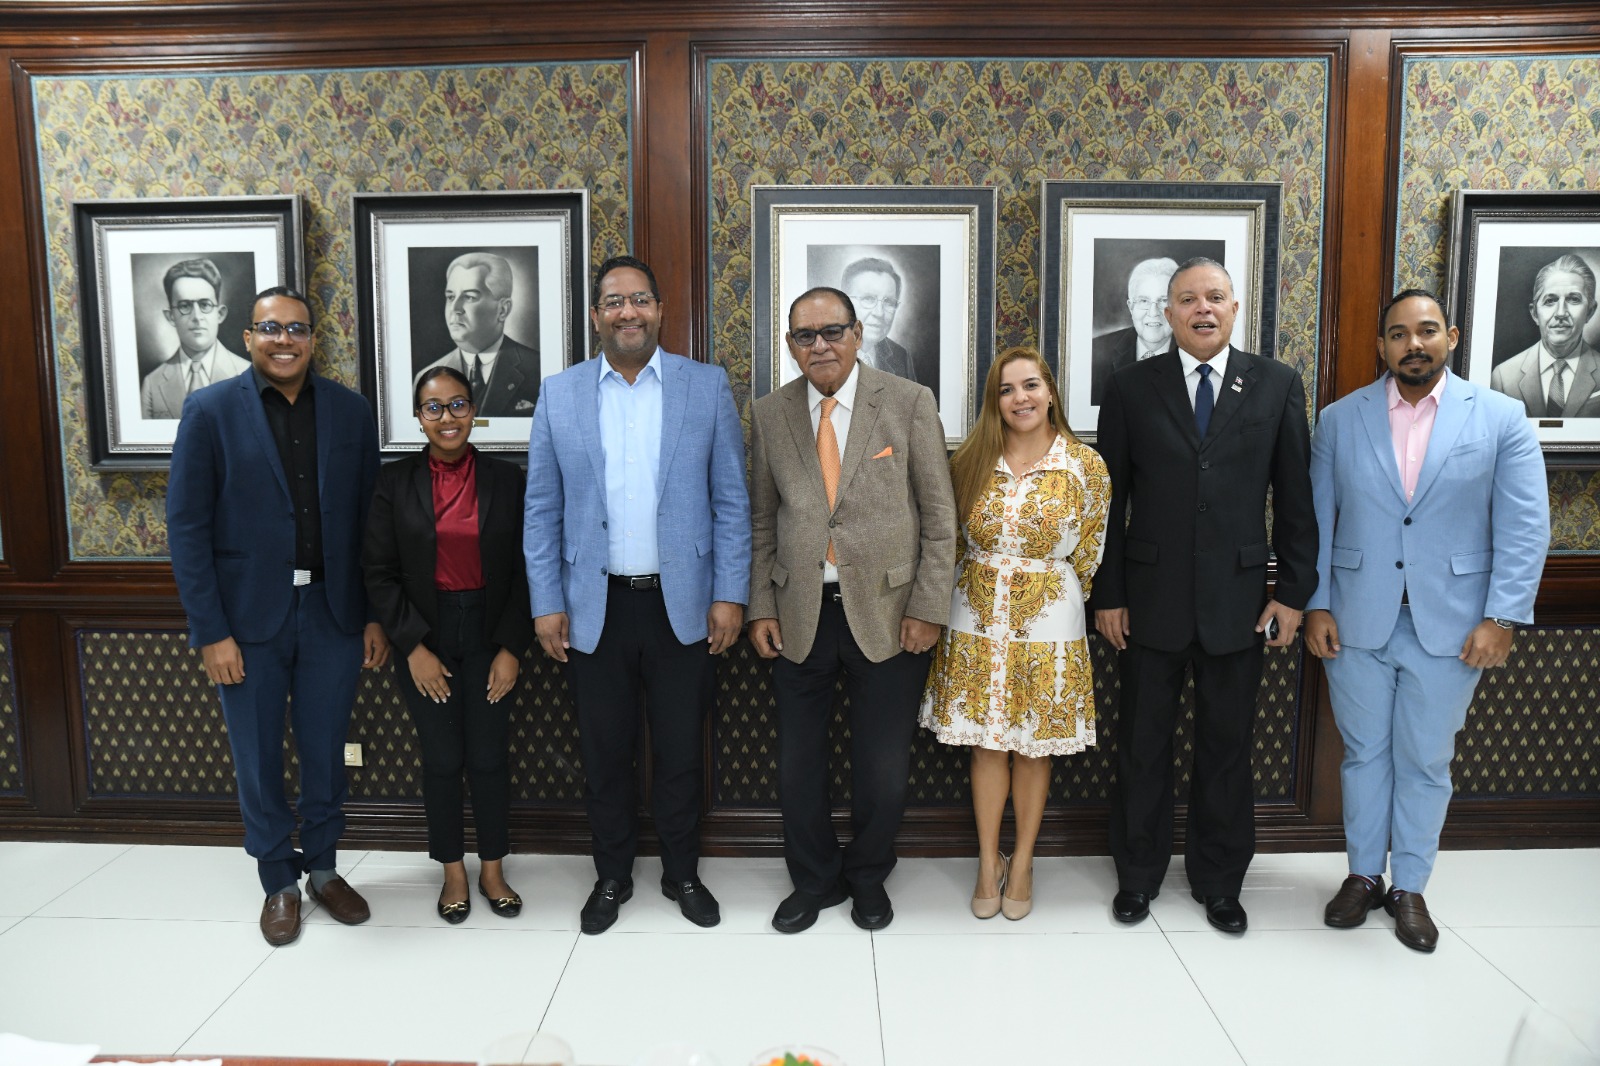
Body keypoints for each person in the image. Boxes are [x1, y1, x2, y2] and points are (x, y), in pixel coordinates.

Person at [1306, 289, 1549, 952]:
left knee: (1426, 759)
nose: (1413, 344)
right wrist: (1317, 603)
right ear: (1381, 345)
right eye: (1398, 334)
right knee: (1363, 755)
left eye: (1426, 331)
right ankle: (1363, 875)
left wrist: (1502, 616)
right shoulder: (1338, 420)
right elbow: (1318, 522)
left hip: (1454, 627)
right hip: (1355, 621)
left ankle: (1410, 885)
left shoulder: (1501, 417)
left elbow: (1526, 527)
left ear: (1452, 336)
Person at [1090, 257, 1318, 935]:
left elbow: (1296, 500)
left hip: (1241, 604)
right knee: (1141, 746)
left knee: (1226, 749)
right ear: (1168, 314)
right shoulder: (1131, 386)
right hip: (1148, 602)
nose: (1202, 308)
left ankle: (1220, 882)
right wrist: (1109, 593)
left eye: (1214, 296)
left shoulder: (1275, 385)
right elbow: (1110, 502)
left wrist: (1294, 592)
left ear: (1235, 307)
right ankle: (1137, 878)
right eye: (1188, 299)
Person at [524, 255, 750, 934]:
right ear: (596, 316)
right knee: (605, 755)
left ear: (660, 310)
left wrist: (730, 593)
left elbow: (731, 501)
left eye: (641, 300)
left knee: (681, 752)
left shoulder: (704, 387)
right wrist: (544, 601)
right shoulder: (559, 393)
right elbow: (542, 508)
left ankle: (683, 872)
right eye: (614, 302)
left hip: (684, 604)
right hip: (594, 609)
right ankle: (612, 876)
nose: (628, 312)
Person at [167, 286, 389, 946]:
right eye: (270, 328)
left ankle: (322, 868)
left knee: (326, 750)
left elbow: (370, 524)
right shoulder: (208, 411)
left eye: (296, 329)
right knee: (258, 757)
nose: (283, 340)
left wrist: (374, 615)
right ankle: (278, 882)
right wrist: (211, 631)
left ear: (314, 339)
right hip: (246, 623)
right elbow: (186, 527)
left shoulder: (351, 413)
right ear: (248, 337)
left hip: (333, 612)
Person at [748, 286, 957, 934]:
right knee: (797, 769)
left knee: (884, 771)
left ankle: (868, 877)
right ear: (790, 346)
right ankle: (813, 881)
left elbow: (940, 518)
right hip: (799, 613)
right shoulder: (768, 413)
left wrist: (928, 607)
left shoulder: (908, 402)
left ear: (858, 333)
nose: (820, 346)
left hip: (892, 616)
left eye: (832, 331)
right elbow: (760, 521)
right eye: (805, 336)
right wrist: (760, 607)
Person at [921, 346, 1111, 920]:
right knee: (987, 744)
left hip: (1049, 623)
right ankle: (987, 861)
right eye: (1006, 390)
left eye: (1030, 385)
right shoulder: (971, 461)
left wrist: (1046, 593)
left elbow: (1091, 553)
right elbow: (949, 542)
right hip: (974, 618)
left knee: (1033, 749)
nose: (1020, 398)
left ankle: (1023, 861)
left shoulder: (1085, 466)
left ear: (1051, 391)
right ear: (994, 401)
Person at [363, 365, 534, 924]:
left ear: (473, 412)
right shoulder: (393, 483)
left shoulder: (508, 481)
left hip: (490, 632)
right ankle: (452, 871)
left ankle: (491, 868)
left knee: (487, 757)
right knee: (441, 759)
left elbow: (527, 570)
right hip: (425, 635)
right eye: (434, 408)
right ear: (419, 418)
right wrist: (412, 647)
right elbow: (379, 573)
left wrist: (511, 646)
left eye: (458, 405)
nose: (447, 418)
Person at [414, 251, 541, 417]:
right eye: (451, 297)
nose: (455, 309)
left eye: (470, 297)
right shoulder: (425, 378)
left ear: (503, 310)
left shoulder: (538, 369)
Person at [1490, 253, 1600, 418]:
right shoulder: (1503, 377)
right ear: (1535, 313)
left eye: (1574, 299)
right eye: (1550, 301)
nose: (1561, 313)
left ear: (1590, 312)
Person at [140, 258, 251, 419]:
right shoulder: (152, 384)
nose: (197, 317)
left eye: (205, 305)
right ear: (171, 316)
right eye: (185, 306)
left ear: (219, 314)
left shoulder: (247, 373)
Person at [1089, 256, 1179, 405]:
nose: (1153, 312)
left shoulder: (1196, 354)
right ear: (1131, 307)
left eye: (1163, 301)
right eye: (1144, 301)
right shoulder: (1095, 354)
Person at [840, 257, 924, 388]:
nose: (879, 313)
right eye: (868, 299)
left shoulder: (900, 357)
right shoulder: (823, 352)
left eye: (889, 302)